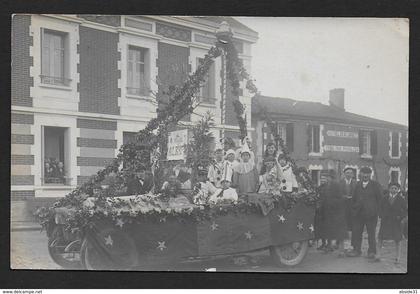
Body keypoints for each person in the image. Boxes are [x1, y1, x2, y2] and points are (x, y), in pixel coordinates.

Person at [347, 166, 383, 259]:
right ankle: (356, 250)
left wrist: (377, 212)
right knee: (356, 232)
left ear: (370, 175)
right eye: (363, 173)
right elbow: (353, 198)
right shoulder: (357, 185)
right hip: (358, 213)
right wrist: (353, 209)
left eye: (367, 173)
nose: (365, 175)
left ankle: (371, 251)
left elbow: (380, 200)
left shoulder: (375, 185)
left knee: (371, 233)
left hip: (371, 214)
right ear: (360, 174)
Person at [377, 182, 407, 263]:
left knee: (398, 239)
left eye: (395, 188)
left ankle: (398, 257)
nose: (393, 190)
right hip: (385, 221)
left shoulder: (401, 199)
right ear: (389, 189)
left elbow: (405, 210)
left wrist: (400, 217)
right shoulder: (384, 198)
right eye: (392, 188)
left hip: (396, 222)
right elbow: (380, 208)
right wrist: (381, 215)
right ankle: (378, 255)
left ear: (398, 190)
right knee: (380, 237)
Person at [320, 170, 347, 256]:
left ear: (331, 177)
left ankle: (341, 250)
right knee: (329, 230)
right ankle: (329, 246)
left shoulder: (336, 185)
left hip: (337, 212)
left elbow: (341, 198)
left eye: (327, 177)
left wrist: (331, 202)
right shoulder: (326, 186)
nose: (326, 179)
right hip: (329, 211)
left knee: (340, 232)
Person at [339, 167, 357, 250]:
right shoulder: (340, 183)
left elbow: (358, 195)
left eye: (350, 173)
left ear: (353, 175)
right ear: (344, 174)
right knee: (343, 227)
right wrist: (344, 197)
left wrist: (353, 198)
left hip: (352, 208)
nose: (349, 174)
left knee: (352, 227)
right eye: (347, 173)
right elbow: (337, 195)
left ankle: (351, 246)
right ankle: (342, 247)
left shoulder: (356, 183)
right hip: (343, 208)